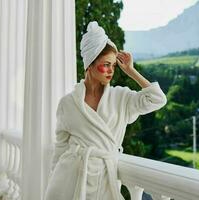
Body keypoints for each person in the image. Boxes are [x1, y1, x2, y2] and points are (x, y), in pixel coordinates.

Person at [44, 21, 167, 200]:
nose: (111, 71)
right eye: (105, 65)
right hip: (69, 180)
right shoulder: (68, 103)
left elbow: (157, 99)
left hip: (105, 179)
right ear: (89, 65)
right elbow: (61, 147)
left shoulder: (120, 97)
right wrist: (53, 180)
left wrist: (130, 71)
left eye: (113, 66)